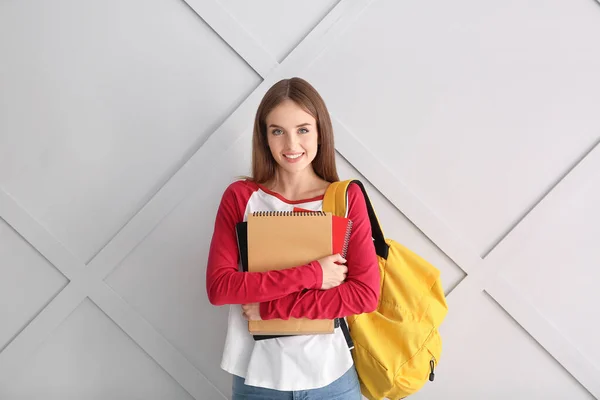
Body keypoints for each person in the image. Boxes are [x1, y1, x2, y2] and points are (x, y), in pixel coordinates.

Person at [206, 77, 380, 399]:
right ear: (264, 137)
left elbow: (365, 295)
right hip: (258, 379)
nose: (291, 145)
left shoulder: (344, 199)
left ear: (320, 132)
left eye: (302, 129)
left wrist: (270, 308)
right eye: (277, 131)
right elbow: (220, 288)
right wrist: (315, 274)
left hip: (332, 379)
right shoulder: (241, 197)